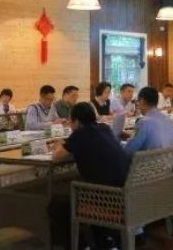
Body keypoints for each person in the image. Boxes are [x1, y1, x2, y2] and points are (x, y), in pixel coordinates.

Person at [52, 102, 130, 250]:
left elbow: (56, 157)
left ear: (76, 121)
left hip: (106, 197)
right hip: (124, 191)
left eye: (71, 121)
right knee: (88, 187)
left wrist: (59, 145)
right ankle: (103, 242)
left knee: (59, 204)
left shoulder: (79, 134)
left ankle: (81, 245)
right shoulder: (105, 128)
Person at [125, 86, 173, 155]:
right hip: (168, 161)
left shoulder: (143, 122)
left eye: (138, 101)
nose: (138, 104)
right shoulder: (169, 120)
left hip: (147, 162)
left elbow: (128, 151)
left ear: (142, 101)